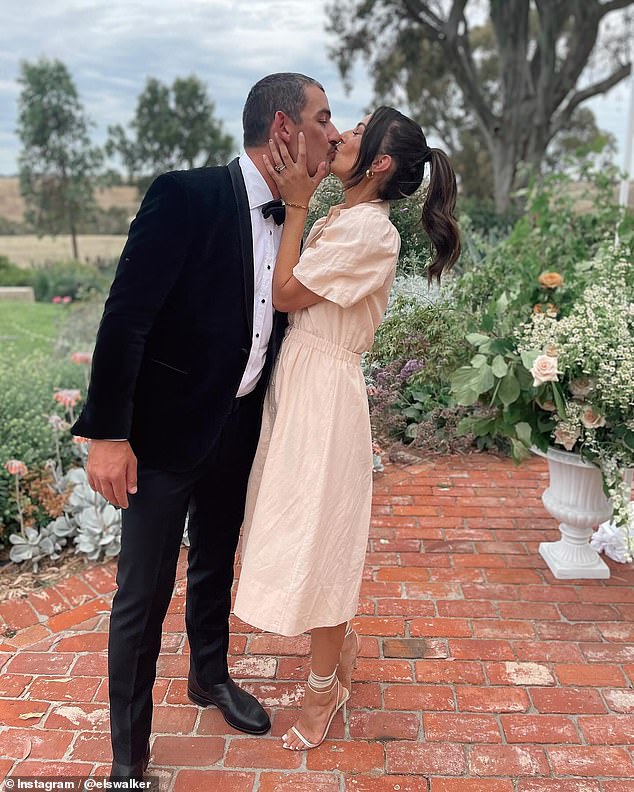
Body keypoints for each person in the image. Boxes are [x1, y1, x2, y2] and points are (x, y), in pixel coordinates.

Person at [71, 73, 340, 780]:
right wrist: (108, 434)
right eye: (323, 118)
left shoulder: (299, 218)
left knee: (216, 563)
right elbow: (126, 318)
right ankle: (129, 761)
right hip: (159, 441)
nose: (334, 135)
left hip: (238, 425)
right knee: (142, 596)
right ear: (285, 128)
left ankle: (209, 677)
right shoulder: (184, 196)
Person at [233, 106, 461, 750]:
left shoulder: (371, 234)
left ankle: (323, 689)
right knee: (294, 525)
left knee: (319, 539)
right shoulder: (352, 219)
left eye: (357, 132)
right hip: (301, 380)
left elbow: (284, 294)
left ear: (380, 163)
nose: (340, 136)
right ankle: (340, 649)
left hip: (325, 395)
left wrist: (298, 205)